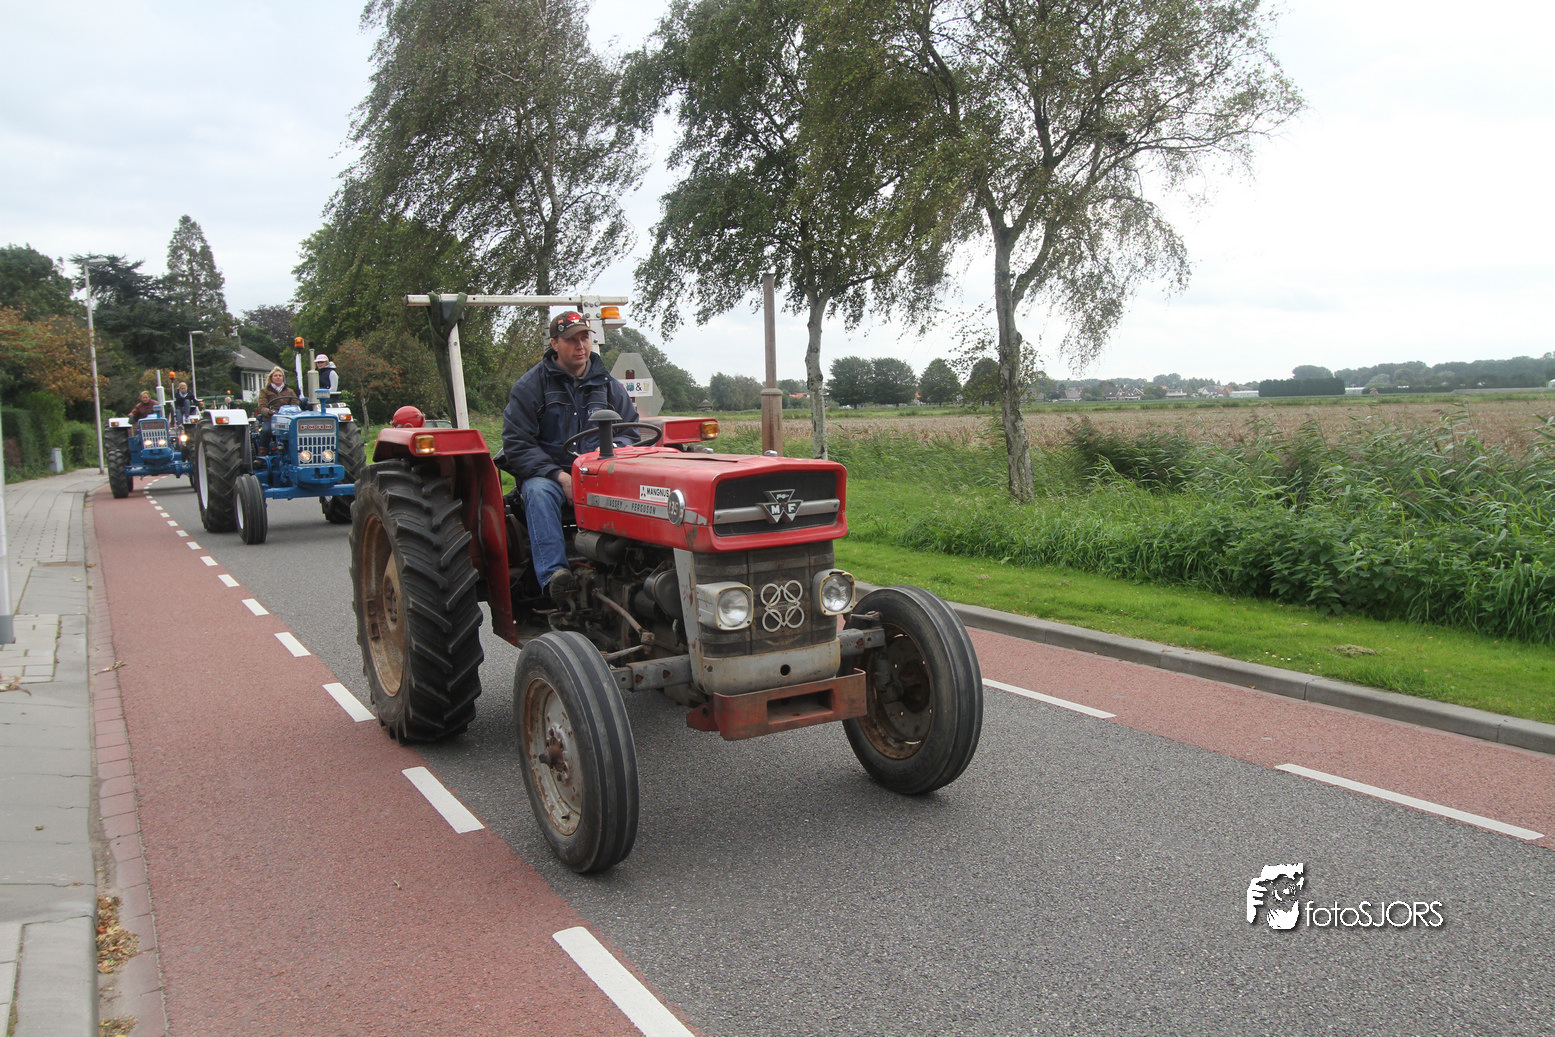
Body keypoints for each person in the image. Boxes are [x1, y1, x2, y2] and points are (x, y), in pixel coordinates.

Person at [501, 311, 641, 602]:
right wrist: (560, 476)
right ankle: (555, 578)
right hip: (550, 474)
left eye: (584, 338)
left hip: (599, 472)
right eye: (571, 340)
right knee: (539, 493)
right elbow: (517, 444)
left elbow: (631, 433)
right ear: (555, 343)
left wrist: (610, 453)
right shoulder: (530, 387)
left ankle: (637, 569)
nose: (580, 346)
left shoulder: (608, 386)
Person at [255, 367, 297, 452]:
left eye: (280, 376)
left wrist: (291, 411)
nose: (278, 377)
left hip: (287, 418)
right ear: (271, 378)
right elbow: (262, 407)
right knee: (266, 430)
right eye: (276, 375)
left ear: (283, 378)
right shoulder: (264, 391)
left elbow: (295, 403)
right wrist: (269, 412)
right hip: (271, 418)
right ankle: (262, 452)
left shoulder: (290, 391)